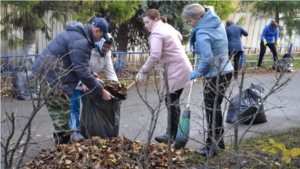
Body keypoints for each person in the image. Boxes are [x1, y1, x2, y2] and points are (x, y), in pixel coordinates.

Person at [32, 17, 114, 145]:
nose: (101, 39)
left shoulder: (79, 36)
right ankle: (62, 147)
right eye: (102, 35)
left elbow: (77, 61)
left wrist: (91, 72)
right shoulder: (81, 41)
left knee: (63, 111)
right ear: (97, 30)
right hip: (50, 77)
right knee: (61, 112)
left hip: (52, 74)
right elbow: (82, 72)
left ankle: (62, 143)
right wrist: (101, 91)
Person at [181, 4, 233, 155]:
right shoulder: (216, 23)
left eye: (189, 21)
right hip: (226, 71)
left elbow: (208, 59)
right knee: (215, 109)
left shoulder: (202, 32)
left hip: (215, 75)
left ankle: (212, 147)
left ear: (198, 18)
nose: (188, 24)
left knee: (211, 110)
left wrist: (197, 72)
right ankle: (219, 142)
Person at [135, 9, 192, 143]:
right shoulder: (166, 27)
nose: (145, 25)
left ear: (155, 20)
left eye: (147, 22)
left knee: (171, 102)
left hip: (175, 70)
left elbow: (155, 55)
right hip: (181, 67)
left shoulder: (157, 33)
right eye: (144, 23)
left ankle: (171, 135)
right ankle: (172, 133)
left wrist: (143, 71)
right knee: (173, 101)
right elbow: (179, 36)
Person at [69, 33, 118, 142]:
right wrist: (83, 81)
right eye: (104, 46)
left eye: (108, 47)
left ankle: (89, 130)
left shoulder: (107, 54)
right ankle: (74, 132)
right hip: (76, 81)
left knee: (89, 107)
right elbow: (79, 65)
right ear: (99, 43)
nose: (106, 49)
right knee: (75, 107)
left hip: (90, 82)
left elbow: (110, 71)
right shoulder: (89, 50)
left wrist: (116, 86)